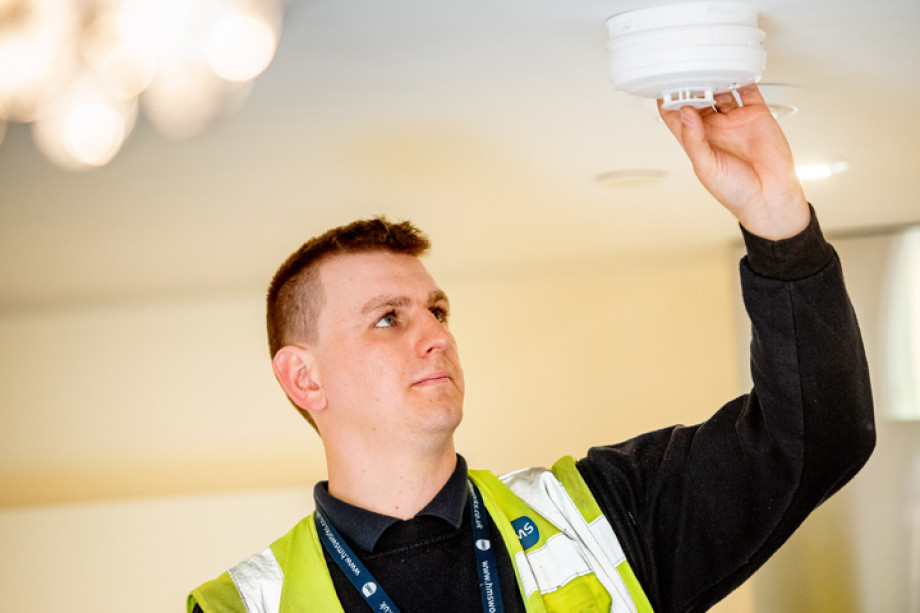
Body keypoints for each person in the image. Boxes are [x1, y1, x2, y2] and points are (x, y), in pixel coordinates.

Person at [188, 84, 875, 612]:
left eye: (436, 310)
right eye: (388, 319)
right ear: (304, 378)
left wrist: (776, 213)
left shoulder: (603, 512)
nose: (436, 334)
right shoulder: (240, 604)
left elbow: (817, 433)